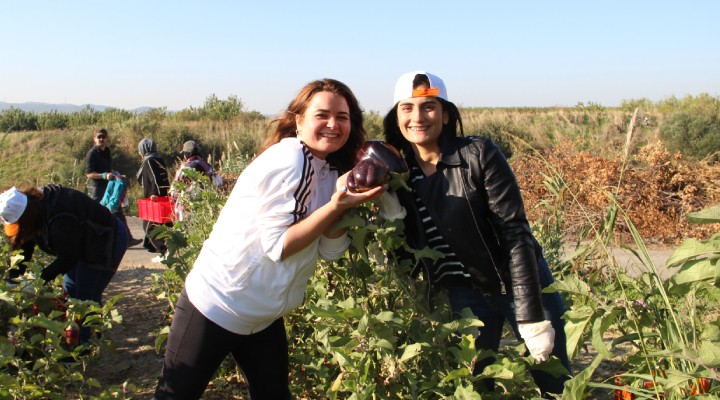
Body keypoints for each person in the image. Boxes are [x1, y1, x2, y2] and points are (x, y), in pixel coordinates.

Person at [153, 78, 384, 400]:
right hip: (217, 303)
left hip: (262, 315)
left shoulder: (332, 172)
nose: (333, 124)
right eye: (322, 115)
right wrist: (334, 205)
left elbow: (330, 251)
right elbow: (278, 247)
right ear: (299, 120)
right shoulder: (289, 158)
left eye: (343, 117)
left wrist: (342, 206)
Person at [381, 71, 571, 397]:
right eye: (407, 108)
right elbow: (403, 244)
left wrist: (530, 314)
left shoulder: (478, 155)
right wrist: (388, 206)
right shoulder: (397, 173)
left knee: (554, 381)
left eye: (428, 107)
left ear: (445, 113)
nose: (418, 117)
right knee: (473, 385)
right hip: (463, 296)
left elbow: (515, 233)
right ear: (396, 116)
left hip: (518, 283)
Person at [0, 185, 129, 344]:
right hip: (81, 241)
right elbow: (24, 246)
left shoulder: (60, 215)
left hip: (105, 239)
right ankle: (77, 341)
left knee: (85, 298)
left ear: (26, 216)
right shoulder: (33, 209)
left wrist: (37, 282)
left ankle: (86, 347)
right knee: (71, 293)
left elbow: (67, 258)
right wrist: (12, 279)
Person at [85, 128, 142, 247]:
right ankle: (93, 241)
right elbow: (89, 174)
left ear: (107, 139)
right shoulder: (92, 154)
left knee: (117, 212)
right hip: (97, 189)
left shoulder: (107, 151)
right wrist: (103, 175)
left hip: (110, 187)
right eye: (99, 137)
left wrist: (116, 174)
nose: (101, 139)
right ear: (94, 139)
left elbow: (109, 168)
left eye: (103, 137)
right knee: (96, 214)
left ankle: (127, 239)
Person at [136, 138, 171, 262]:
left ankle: (163, 252)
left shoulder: (150, 161)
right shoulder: (158, 159)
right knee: (162, 225)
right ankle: (164, 252)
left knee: (150, 226)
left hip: (154, 199)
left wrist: (156, 194)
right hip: (160, 197)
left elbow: (156, 179)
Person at [170, 140, 223, 221]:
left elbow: (174, 192)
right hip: (203, 211)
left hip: (186, 211)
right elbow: (219, 182)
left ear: (186, 154)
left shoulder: (185, 168)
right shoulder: (207, 166)